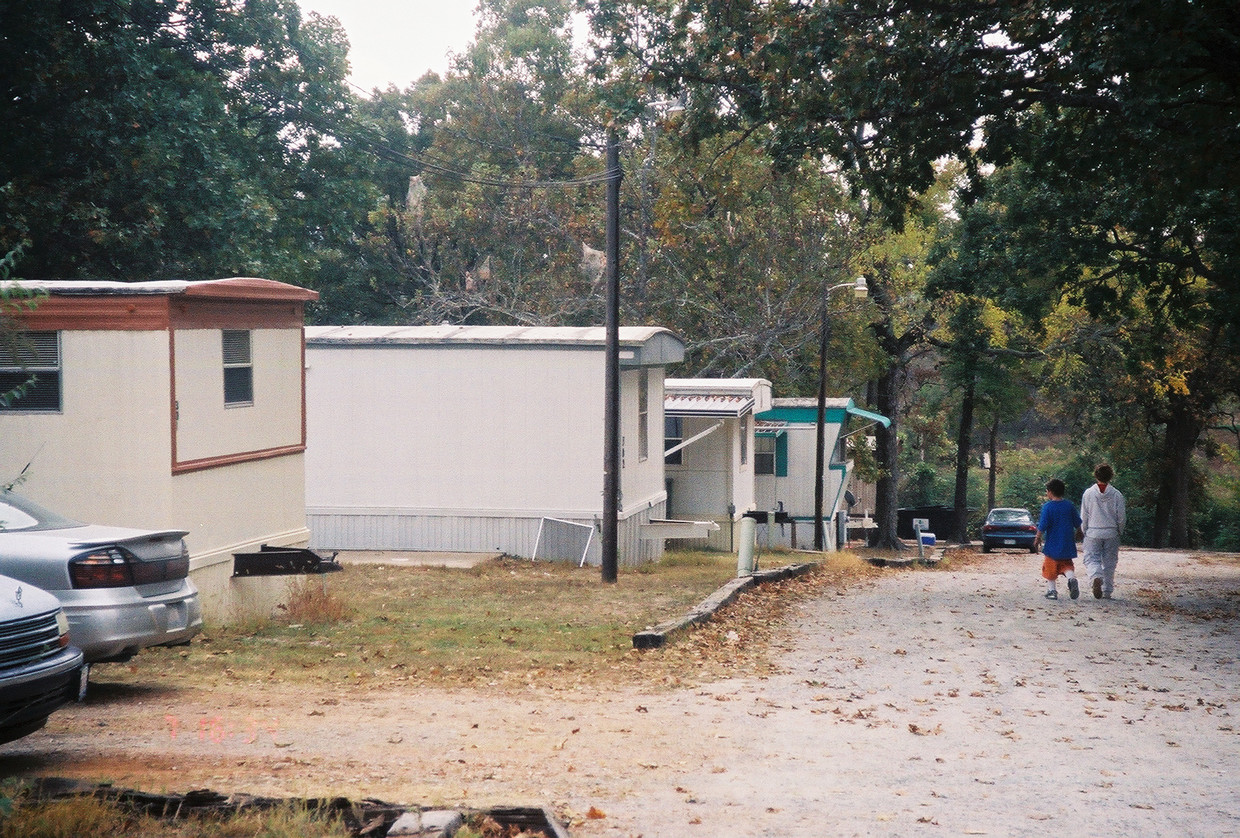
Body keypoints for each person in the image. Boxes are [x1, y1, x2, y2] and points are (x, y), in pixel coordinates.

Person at [1080, 463, 1126, 599]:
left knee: (1091, 558)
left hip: (1093, 531)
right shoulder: (1117, 495)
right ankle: (1107, 590)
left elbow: (1084, 515)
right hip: (1111, 532)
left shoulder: (1088, 493)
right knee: (1110, 562)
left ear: (1096, 475)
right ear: (1111, 476)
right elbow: (1121, 516)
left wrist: (1085, 530)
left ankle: (1096, 576)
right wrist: (1119, 530)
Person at [1034, 478, 1083, 600]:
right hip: (1067, 542)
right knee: (1066, 565)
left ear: (1050, 492)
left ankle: (1052, 591)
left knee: (1050, 567)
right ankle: (1071, 579)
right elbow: (1077, 522)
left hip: (1052, 543)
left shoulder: (1048, 507)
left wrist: (1037, 537)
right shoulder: (1069, 506)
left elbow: (1043, 524)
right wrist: (1079, 532)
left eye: (1047, 491)